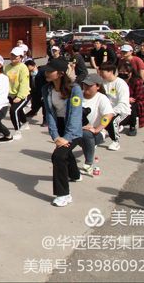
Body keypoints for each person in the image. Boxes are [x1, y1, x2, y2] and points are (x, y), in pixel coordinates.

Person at [42, 57, 84, 207]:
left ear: (60, 73)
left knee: (58, 156)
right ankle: (75, 175)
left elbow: (75, 115)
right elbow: (49, 114)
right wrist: (55, 136)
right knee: (65, 152)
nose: (46, 73)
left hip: (73, 128)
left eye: (50, 71)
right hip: (58, 125)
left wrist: (67, 137)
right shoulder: (46, 89)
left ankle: (64, 194)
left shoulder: (75, 89)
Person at [77, 74, 114, 175]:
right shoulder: (78, 96)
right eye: (85, 84)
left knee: (86, 134)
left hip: (95, 133)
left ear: (98, 86)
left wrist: (97, 129)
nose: (86, 87)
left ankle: (88, 163)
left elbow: (108, 115)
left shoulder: (101, 98)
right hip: (77, 130)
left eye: (89, 85)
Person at [98, 62, 130, 151]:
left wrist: (110, 112)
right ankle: (97, 137)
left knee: (112, 121)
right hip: (106, 110)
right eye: (100, 72)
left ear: (111, 71)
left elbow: (123, 102)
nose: (101, 74)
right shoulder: (102, 83)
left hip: (121, 111)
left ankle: (115, 141)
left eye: (103, 72)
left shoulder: (120, 83)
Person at [5, 47, 31, 139]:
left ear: (21, 57)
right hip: (11, 94)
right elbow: (4, 81)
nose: (13, 57)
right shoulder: (7, 67)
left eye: (15, 56)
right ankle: (25, 123)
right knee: (19, 110)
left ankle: (17, 131)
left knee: (13, 110)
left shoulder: (23, 67)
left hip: (23, 95)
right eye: (12, 55)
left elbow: (24, 83)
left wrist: (19, 96)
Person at [118, 62, 144, 137]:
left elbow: (137, 96)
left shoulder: (137, 81)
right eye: (121, 71)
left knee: (132, 106)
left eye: (125, 71)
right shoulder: (118, 80)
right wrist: (125, 99)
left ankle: (132, 126)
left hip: (138, 100)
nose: (122, 73)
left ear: (130, 73)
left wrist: (126, 100)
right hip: (124, 99)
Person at [25, 59, 47, 125]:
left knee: (44, 105)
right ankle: (33, 112)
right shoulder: (29, 74)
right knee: (35, 103)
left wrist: (45, 93)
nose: (28, 69)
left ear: (34, 65)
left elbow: (46, 83)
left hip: (43, 91)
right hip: (34, 91)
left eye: (28, 67)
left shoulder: (42, 72)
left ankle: (45, 120)